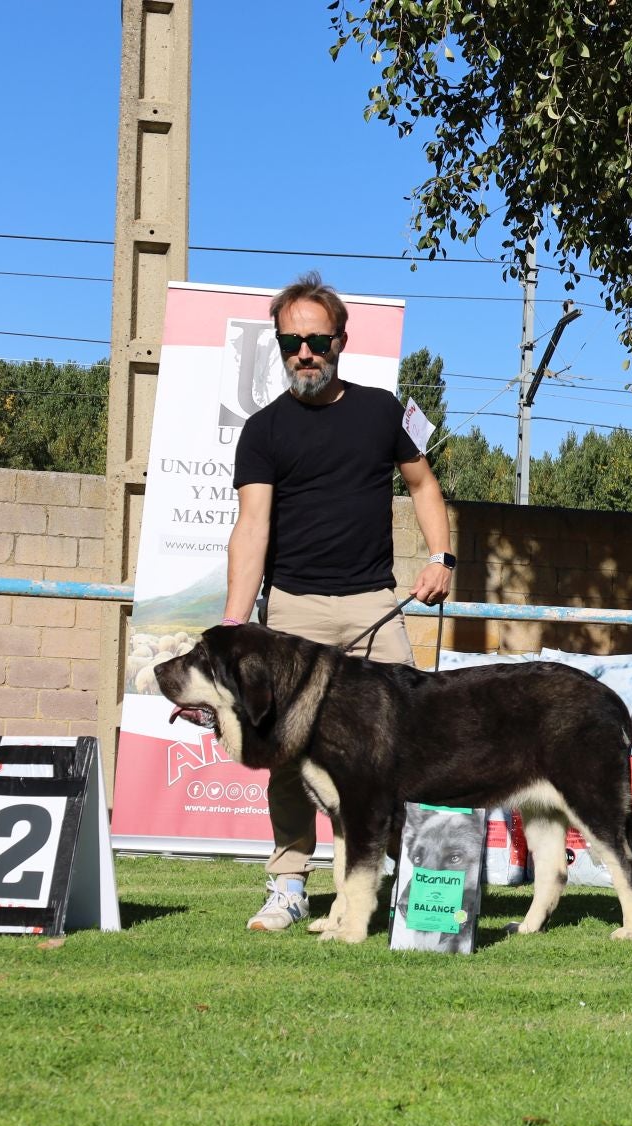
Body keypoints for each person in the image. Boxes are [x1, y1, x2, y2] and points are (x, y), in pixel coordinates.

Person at [222, 272, 455, 932]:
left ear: (340, 341)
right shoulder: (263, 431)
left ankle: (418, 880)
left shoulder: (384, 411)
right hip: (292, 611)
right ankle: (289, 884)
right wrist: (238, 626)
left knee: (404, 743)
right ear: (280, 344)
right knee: (288, 752)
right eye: (291, 340)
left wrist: (441, 558)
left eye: (316, 340)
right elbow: (252, 528)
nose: (304, 352)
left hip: (373, 604)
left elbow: (425, 488)